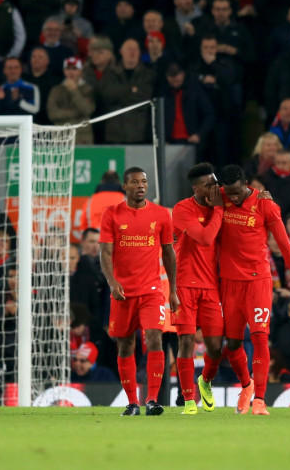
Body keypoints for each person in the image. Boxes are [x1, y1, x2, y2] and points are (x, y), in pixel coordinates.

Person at [218, 165, 290, 415]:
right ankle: (246, 386)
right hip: (229, 282)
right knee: (233, 343)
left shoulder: (265, 205)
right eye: (230, 193)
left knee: (260, 337)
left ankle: (259, 399)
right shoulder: (220, 196)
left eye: (238, 193)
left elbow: (285, 245)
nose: (234, 198)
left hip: (258, 281)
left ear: (247, 184)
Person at [99, 167, 178, 416]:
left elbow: (168, 252)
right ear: (125, 186)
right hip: (122, 290)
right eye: (134, 182)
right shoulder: (111, 214)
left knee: (154, 338)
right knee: (126, 345)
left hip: (152, 290)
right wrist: (112, 282)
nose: (141, 186)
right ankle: (132, 402)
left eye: (143, 181)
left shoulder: (161, 214)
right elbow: (105, 252)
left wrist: (173, 290)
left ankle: (152, 399)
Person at [170, 163, 226, 414]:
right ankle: (189, 400)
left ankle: (205, 381)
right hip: (184, 285)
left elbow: (246, 196)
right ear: (196, 188)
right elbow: (205, 238)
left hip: (211, 287)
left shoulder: (221, 201)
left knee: (215, 347)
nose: (215, 187)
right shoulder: (182, 209)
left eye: (215, 182)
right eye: (209, 184)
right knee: (186, 341)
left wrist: (263, 194)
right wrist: (218, 211)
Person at [46, 56, 95, 144]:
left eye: (75, 69)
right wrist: (76, 113)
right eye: (68, 68)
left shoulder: (88, 89)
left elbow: (87, 110)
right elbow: (52, 114)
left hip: (82, 139)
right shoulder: (56, 90)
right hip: (61, 139)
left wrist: (74, 90)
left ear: (81, 71)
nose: (71, 72)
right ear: (64, 71)